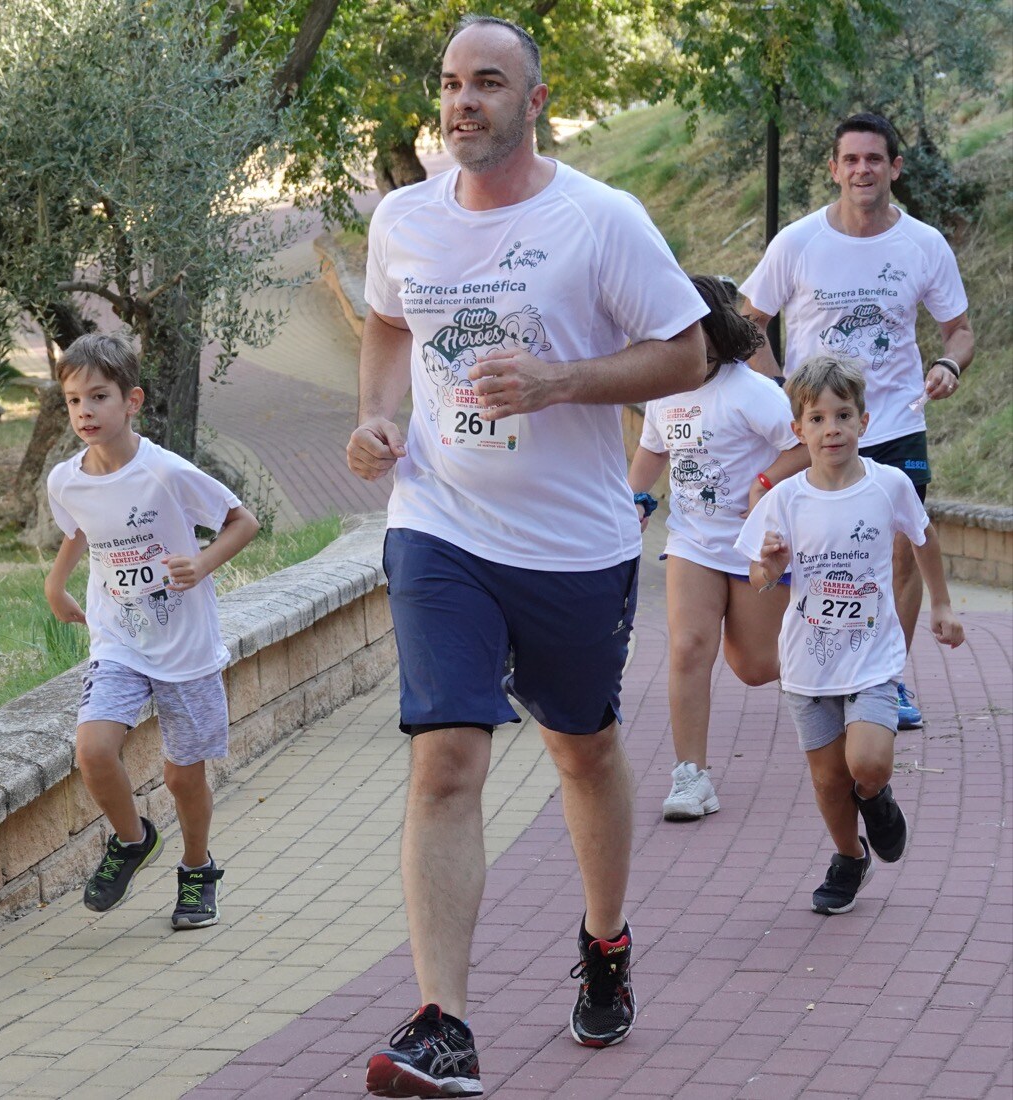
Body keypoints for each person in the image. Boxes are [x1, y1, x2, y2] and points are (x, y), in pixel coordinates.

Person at [346, 14, 708, 1098]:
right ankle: (440, 1021)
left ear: (533, 101)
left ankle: (604, 939)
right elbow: (384, 326)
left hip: (574, 543)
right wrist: (373, 417)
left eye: (487, 84)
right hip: (439, 521)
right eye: (451, 84)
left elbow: (684, 351)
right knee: (445, 755)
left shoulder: (599, 218)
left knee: (579, 746)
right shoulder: (403, 219)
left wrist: (560, 381)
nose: (462, 103)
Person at [739, 112, 974, 731]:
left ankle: (884, 680)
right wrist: (782, 389)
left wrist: (949, 364)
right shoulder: (798, 242)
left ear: (894, 168)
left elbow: (960, 331)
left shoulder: (923, 244)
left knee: (901, 551)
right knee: (827, 555)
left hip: (896, 418)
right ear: (834, 169)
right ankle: (828, 671)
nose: (862, 169)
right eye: (851, 160)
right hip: (824, 427)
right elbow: (747, 321)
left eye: (875, 159)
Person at [44, 332, 259, 930]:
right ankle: (134, 839)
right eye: (73, 401)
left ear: (131, 400)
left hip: (184, 648)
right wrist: (55, 584)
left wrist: (204, 561)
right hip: (118, 639)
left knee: (181, 775)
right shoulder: (67, 479)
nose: (85, 412)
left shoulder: (166, 472)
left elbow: (244, 520)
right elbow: (80, 528)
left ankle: (196, 870)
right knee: (93, 751)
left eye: (99, 397)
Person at [735, 355, 963, 915]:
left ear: (864, 421)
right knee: (826, 777)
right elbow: (757, 577)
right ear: (799, 430)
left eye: (843, 415)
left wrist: (942, 604)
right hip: (809, 662)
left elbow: (923, 538)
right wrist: (771, 564)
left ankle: (876, 796)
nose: (830, 428)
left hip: (872, 655)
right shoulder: (784, 500)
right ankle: (849, 857)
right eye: (817, 418)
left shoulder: (889, 485)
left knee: (867, 764)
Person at [628, 275, 809, 821]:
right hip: (692, 542)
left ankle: (836, 664)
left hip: (755, 545)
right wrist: (631, 503)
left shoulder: (751, 392)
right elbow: (652, 454)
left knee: (754, 666)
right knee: (688, 648)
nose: (679, 336)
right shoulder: (663, 393)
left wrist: (765, 483)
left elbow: (805, 446)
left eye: (690, 325)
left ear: (713, 329)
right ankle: (692, 777)